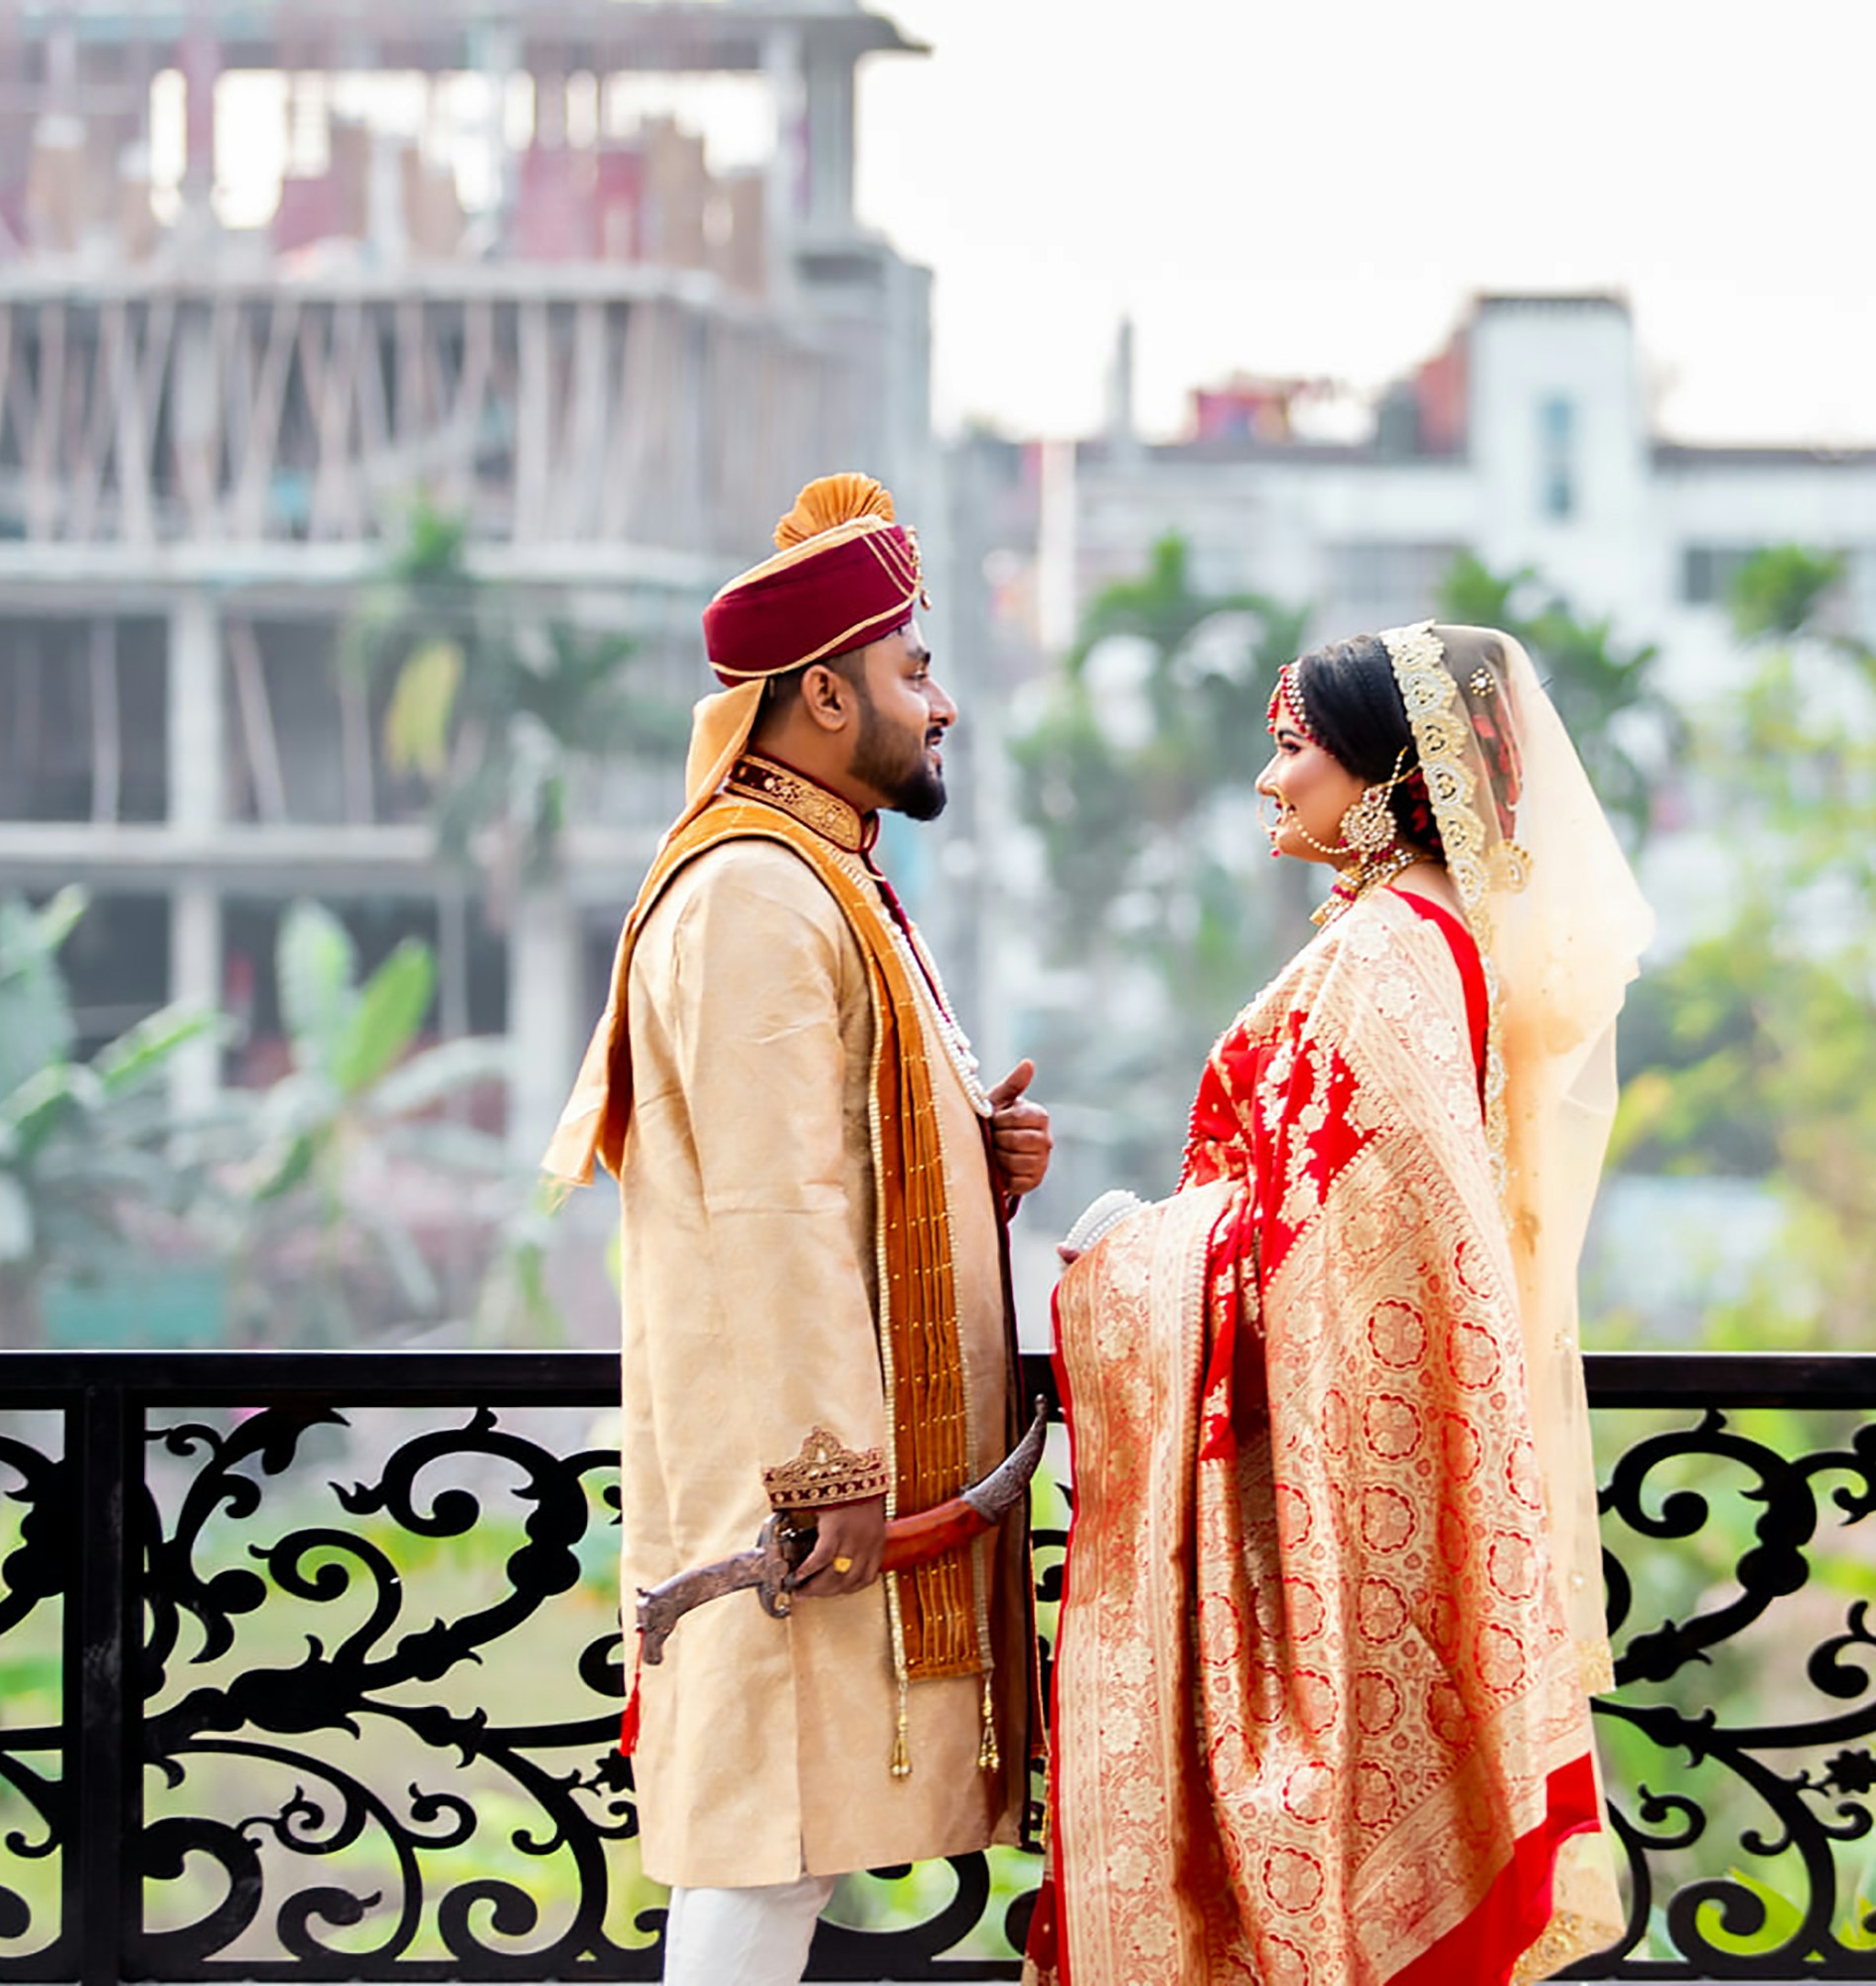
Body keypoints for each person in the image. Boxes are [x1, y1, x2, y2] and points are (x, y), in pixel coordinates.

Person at [1031, 623, 1653, 1985]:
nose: (1270, 779)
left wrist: (1126, 1257)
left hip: (1323, 1491)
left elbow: (1331, 1263)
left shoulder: (1383, 955)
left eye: (1294, 747)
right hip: (1374, 1466)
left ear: (1387, 775)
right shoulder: (1426, 939)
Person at [545, 472, 1056, 1986]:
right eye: (914, 673)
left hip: (830, 1468)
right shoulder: (756, 895)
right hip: (802, 1479)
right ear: (825, 696)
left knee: (792, 1840)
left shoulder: (821, 874)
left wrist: (975, 1159)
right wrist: (827, 1469)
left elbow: (837, 1155)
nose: (942, 705)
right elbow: (774, 1205)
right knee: (766, 1840)